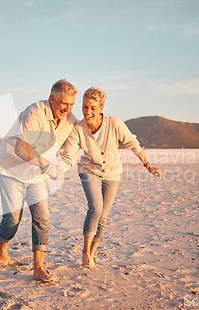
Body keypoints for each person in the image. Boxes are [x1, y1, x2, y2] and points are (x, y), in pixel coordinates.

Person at [46, 87, 162, 269]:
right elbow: (69, 156)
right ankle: (85, 252)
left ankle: (92, 253)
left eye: (93, 108)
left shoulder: (114, 123)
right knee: (95, 208)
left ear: (101, 108)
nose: (88, 112)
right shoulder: (77, 129)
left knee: (103, 217)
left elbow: (132, 142)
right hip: (88, 169)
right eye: (85, 107)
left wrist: (148, 165)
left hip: (112, 173)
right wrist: (58, 169)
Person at [0, 79, 78, 282]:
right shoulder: (35, 112)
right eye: (64, 103)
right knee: (13, 219)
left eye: (71, 105)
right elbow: (21, 148)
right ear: (52, 99)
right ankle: (2, 245)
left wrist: (63, 166)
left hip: (36, 176)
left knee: (42, 219)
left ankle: (38, 268)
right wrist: (47, 165)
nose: (67, 109)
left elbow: (76, 145)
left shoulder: (70, 120)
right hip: (11, 172)